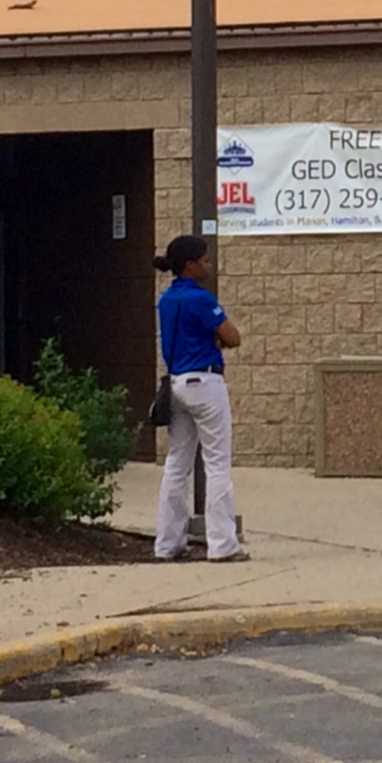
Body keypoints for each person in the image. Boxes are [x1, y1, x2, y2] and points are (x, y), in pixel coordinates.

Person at [152, 234, 247, 563]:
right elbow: (232, 336)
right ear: (190, 265)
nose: (209, 265)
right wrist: (216, 339)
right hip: (205, 382)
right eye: (205, 260)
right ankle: (223, 545)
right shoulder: (201, 298)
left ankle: (167, 543)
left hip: (176, 381)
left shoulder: (165, 299)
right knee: (217, 464)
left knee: (176, 465)